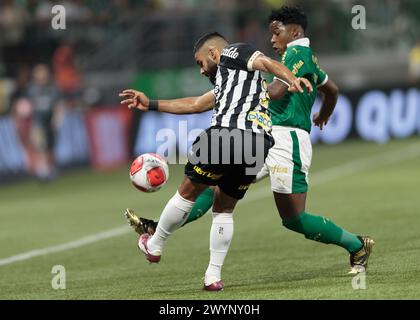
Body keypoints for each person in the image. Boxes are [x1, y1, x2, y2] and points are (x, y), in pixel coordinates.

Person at [127, 6, 374, 276]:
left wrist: (242, 92)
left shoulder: (297, 53)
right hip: (264, 137)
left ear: (295, 32)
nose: (272, 40)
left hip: (286, 139)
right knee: (214, 188)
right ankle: (158, 233)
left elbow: (278, 89)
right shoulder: (305, 57)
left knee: (294, 218)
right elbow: (332, 89)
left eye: (276, 33)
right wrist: (322, 114)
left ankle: (356, 245)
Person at [120, 32, 313, 291]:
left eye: (201, 63)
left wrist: (291, 79)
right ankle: (212, 277)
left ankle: (154, 244)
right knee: (223, 208)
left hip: (227, 134)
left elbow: (267, 62)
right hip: (257, 145)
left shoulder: (234, 52)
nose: (201, 71)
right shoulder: (235, 81)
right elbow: (196, 104)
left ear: (213, 53)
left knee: (187, 191)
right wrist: (151, 103)